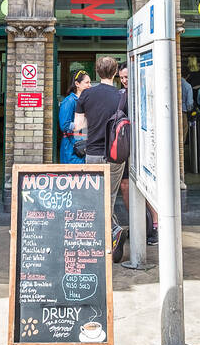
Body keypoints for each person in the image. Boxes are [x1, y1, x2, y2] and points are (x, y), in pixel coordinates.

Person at [74, 55, 126, 260]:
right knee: (110, 196)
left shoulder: (86, 95)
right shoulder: (122, 96)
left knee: (96, 197)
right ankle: (113, 232)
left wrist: (92, 121)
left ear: (97, 72)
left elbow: (78, 126)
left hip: (93, 153)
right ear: (114, 73)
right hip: (115, 154)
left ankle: (109, 236)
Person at [116, 62, 159, 246]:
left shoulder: (145, 90)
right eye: (122, 77)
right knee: (125, 185)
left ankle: (155, 225)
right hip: (127, 147)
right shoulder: (122, 94)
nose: (124, 80)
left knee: (147, 185)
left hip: (144, 145)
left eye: (127, 77)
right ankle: (138, 223)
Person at [58, 69, 90, 163]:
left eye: (90, 82)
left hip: (83, 146)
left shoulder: (85, 100)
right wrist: (83, 124)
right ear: (77, 84)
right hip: (71, 148)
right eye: (87, 83)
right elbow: (64, 125)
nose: (90, 85)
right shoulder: (69, 101)